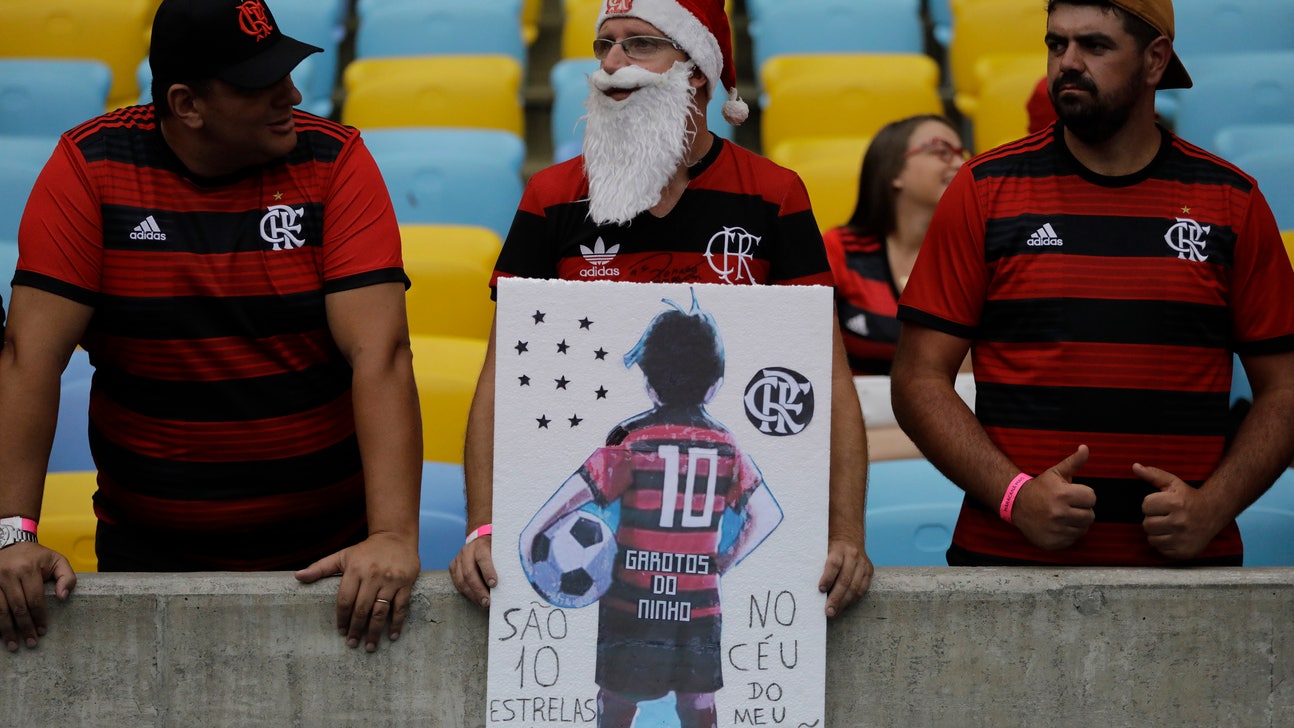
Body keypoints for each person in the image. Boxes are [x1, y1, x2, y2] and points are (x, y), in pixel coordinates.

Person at [0, 0, 422, 653]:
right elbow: (30, 355)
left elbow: (382, 355)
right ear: (187, 103)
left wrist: (393, 534)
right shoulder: (90, 166)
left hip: (328, 562)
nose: (293, 93)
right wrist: (12, 534)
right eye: (261, 83)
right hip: (147, 560)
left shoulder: (335, 160)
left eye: (287, 69)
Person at [450, 0, 872, 629]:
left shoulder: (774, 196)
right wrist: (483, 525)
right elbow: (501, 380)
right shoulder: (551, 197)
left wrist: (844, 532)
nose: (611, 66)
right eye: (604, 46)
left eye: (639, 45)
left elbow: (828, 377)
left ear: (695, 70)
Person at [891, 0, 1294, 567]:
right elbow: (917, 379)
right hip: (1007, 567)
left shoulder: (1233, 201)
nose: (1067, 63)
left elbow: (1286, 390)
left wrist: (1214, 507)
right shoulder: (984, 189)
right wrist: (1015, 498)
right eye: (1057, 44)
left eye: (1095, 45)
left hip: (1187, 578)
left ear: (1155, 61)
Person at [520, 293, 784, 728]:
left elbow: (550, 514)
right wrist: (725, 560)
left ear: (649, 383)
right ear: (715, 385)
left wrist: (534, 545)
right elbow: (767, 514)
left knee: (617, 701)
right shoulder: (726, 448)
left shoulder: (631, 444)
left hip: (631, 606)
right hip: (698, 610)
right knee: (698, 704)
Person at [823, 114, 966, 375]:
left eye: (961, 153)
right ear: (894, 171)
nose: (960, 163)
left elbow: (967, 376)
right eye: (941, 152)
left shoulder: (973, 256)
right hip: (854, 413)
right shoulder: (839, 250)